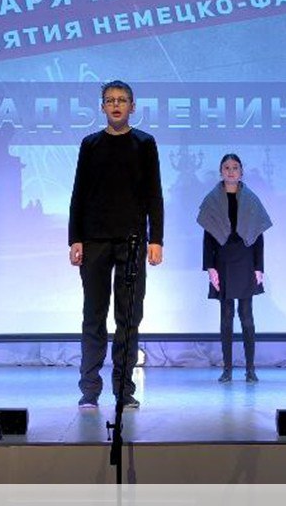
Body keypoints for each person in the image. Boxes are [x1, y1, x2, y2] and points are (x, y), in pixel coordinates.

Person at [69, 80, 164, 410]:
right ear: (102, 107)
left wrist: (156, 239)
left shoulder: (144, 143)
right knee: (93, 316)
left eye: (122, 100)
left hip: (133, 241)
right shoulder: (90, 144)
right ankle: (89, 390)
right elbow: (79, 193)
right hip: (94, 240)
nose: (116, 105)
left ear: (132, 107)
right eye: (110, 100)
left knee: (128, 317)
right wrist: (75, 238)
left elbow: (154, 194)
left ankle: (124, 391)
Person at [197, 153, 272, 383]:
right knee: (226, 316)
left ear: (241, 171)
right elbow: (208, 236)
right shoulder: (212, 200)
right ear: (221, 171)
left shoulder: (251, 199)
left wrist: (259, 267)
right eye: (227, 167)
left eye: (235, 167)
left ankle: (250, 368)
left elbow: (258, 236)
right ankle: (227, 369)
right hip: (222, 260)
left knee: (246, 316)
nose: (231, 171)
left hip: (246, 258)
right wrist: (210, 267)